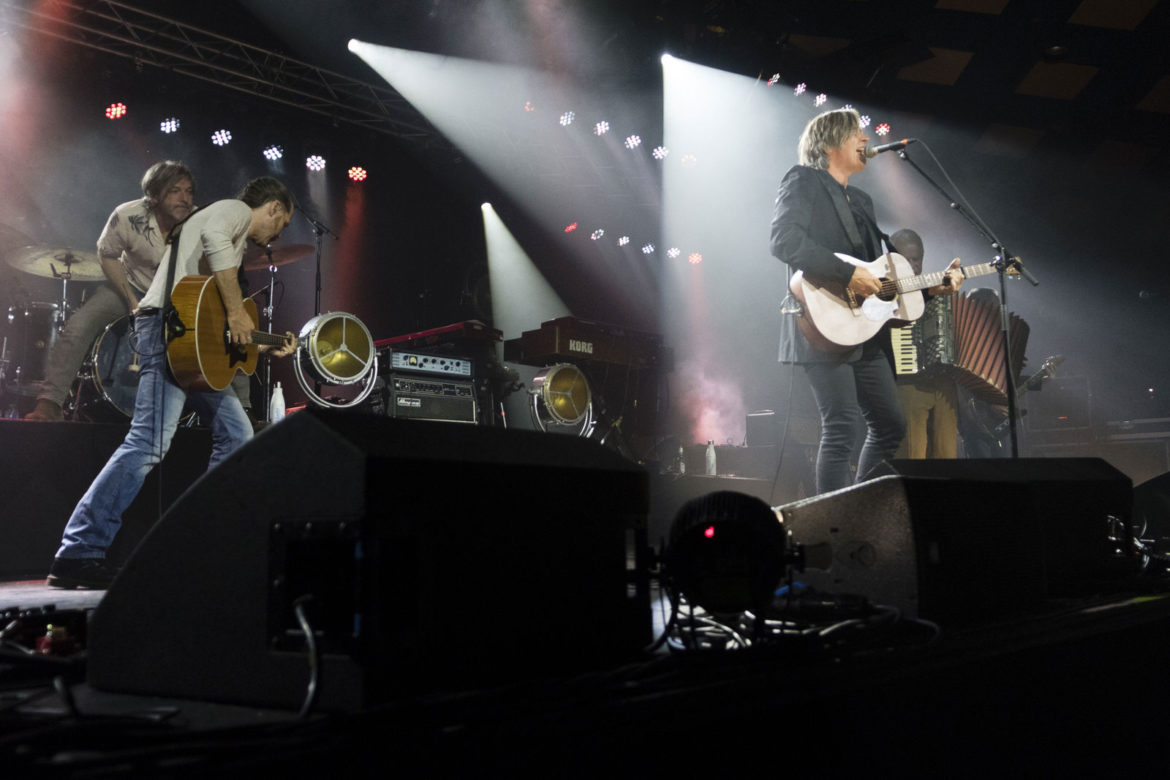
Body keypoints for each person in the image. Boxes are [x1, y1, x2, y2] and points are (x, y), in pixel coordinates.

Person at [46, 177, 298, 589]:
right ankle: (79, 551)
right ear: (272, 208)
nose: (276, 235)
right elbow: (217, 261)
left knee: (237, 436)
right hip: (167, 332)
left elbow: (210, 314)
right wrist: (237, 315)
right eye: (281, 224)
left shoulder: (231, 240)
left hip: (187, 341)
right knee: (148, 442)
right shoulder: (232, 214)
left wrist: (260, 343)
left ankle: (193, 542)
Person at [769, 108, 962, 493]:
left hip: (863, 329)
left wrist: (931, 287)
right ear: (828, 143)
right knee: (841, 427)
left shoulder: (861, 201)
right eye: (856, 133)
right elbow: (784, 240)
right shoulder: (802, 180)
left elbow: (880, 281)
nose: (865, 140)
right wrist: (846, 274)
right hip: (822, 322)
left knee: (891, 425)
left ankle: (858, 503)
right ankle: (834, 526)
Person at [26, 162, 194, 422]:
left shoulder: (200, 222)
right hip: (128, 285)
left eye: (189, 191)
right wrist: (131, 300)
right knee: (78, 326)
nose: (185, 198)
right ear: (155, 194)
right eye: (175, 191)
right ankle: (50, 404)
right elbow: (107, 255)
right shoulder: (128, 215)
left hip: (174, 298)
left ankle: (238, 414)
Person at [888, 228, 961, 460]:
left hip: (943, 384)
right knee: (912, 455)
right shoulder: (882, 293)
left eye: (916, 258)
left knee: (946, 455)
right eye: (905, 259)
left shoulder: (939, 289)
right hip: (908, 382)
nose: (912, 264)